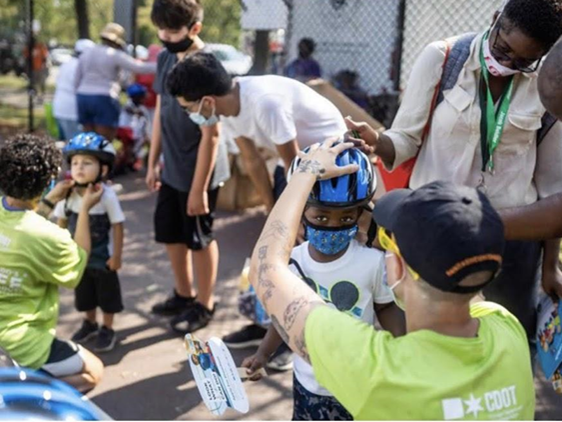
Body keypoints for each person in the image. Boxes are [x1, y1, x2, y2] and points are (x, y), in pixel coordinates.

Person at [248, 139, 535, 419]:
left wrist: (306, 172)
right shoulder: (508, 331)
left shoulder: (378, 372)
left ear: (395, 269)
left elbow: (267, 271)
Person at [347, 0, 562, 342]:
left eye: (523, 61)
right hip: (435, 230)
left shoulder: (550, 84)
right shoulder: (443, 58)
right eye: (502, 50)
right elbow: (405, 138)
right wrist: (379, 143)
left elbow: (553, 189)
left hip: (512, 240)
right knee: (428, 337)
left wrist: (550, 265)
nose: (506, 66)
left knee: (509, 337)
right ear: (494, 20)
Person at [166, 51, 346, 362]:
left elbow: (296, 168)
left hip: (326, 164)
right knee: (272, 246)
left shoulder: (265, 103)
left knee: (300, 252)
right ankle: (265, 324)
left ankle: (293, 339)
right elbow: (252, 161)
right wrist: (270, 212)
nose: (188, 115)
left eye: (188, 108)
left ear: (206, 102)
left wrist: (293, 219)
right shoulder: (229, 107)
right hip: (293, 164)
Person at [242, 146, 405, 420]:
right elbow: (285, 318)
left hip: (358, 385)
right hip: (307, 384)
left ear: (360, 214)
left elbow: (386, 307)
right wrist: (263, 354)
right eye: (320, 217)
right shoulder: (291, 263)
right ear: (301, 211)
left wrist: (405, 351)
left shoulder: (373, 263)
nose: (332, 226)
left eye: (346, 218)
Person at [146, 0, 230, 335]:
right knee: (170, 234)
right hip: (172, 168)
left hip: (201, 171)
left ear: (194, 29)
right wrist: (152, 161)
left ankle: (204, 304)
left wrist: (198, 190)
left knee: (199, 238)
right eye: (161, 29)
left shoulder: (205, 66)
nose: (165, 36)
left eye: (173, 30)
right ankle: (184, 293)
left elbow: (212, 134)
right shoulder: (165, 57)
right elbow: (159, 111)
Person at [0, 134, 104, 393]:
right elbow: (77, 264)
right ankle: (20, 397)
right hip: (19, 341)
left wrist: (47, 203)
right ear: (48, 181)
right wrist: (85, 209)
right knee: (93, 372)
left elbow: (19, 224)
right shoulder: (48, 237)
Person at [54, 132, 125, 353]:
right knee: (84, 295)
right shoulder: (68, 195)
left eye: (87, 162)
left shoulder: (107, 196)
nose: (79, 168)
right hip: (79, 260)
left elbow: (118, 225)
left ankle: (108, 327)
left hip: (103, 259)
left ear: (103, 169)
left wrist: (117, 256)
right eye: (75, 163)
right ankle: (90, 322)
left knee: (107, 295)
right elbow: (61, 222)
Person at [75, 23, 156, 142]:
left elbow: (77, 79)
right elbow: (138, 67)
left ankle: (89, 159)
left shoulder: (86, 53)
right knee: (104, 141)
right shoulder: (114, 54)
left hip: (83, 97)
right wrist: (161, 65)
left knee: (88, 140)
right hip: (104, 97)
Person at [52, 39, 95, 140]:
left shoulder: (66, 64)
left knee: (67, 142)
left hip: (59, 107)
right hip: (72, 110)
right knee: (76, 146)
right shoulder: (81, 66)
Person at [118, 83, 151, 170]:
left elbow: (145, 124)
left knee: (148, 142)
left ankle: (141, 161)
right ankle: (126, 161)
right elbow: (128, 110)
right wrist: (136, 112)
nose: (143, 99)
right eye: (141, 97)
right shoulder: (127, 105)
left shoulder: (143, 109)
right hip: (125, 130)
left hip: (136, 133)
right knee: (127, 146)